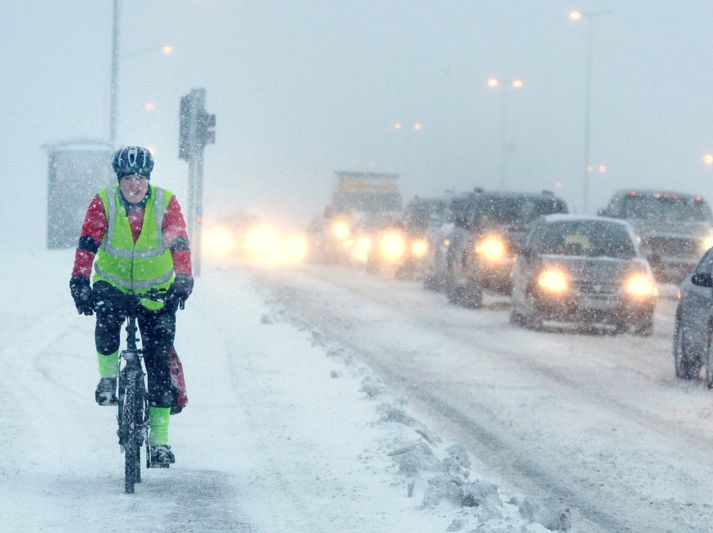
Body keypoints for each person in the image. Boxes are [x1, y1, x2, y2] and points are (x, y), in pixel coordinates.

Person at [69, 145, 193, 466]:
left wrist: (183, 278)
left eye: (140, 178)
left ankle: (160, 442)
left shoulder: (165, 203)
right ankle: (109, 380)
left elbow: (179, 244)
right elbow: (87, 244)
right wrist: (80, 281)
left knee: (159, 365)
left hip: (157, 291)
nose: (134, 185)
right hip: (114, 285)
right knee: (107, 320)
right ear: (119, 180)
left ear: (148, 179)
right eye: (127, 178)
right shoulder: (104, 202)